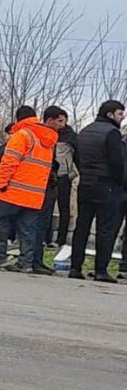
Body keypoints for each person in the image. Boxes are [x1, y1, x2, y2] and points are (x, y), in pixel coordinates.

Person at [0, 106, 58, 274]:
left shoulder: (22, 135)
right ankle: (25, 263)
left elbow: (9, 162)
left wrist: (1, 184)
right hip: (35, 195)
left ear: (18, 119)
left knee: (0, 224)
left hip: (12, 192)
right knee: (28, 230)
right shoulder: (47, 141)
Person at [69, 100, 125, 282]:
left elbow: (77, 156)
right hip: (106, 185)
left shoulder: (85, 131)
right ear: (110, 115)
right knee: (106, 229)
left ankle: (75, 268)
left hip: (85, 183)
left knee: (82, 226)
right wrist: (119, 183)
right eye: (120, 114)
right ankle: (101, 270)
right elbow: (117, 162)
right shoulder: (112, 134)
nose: (122, 117)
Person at [27, 106, 68, 273]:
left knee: (40, 226)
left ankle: (36, 259)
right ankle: (33, 260)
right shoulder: (43, 138)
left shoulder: (49, 138)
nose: (63, 125)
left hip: (44, 187)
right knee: (36, 225)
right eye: (60, 121)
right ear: (49, 120)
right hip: (41, 188)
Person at [52, 121, 79, 247]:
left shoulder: (71, 136)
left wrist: (72, 174)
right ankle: (45, 238)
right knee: (46, 207)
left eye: (63, 120)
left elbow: (78, 157)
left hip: (64, 176)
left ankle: (60, 240)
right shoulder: (48, 134)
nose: (61, 123)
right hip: (49, 175)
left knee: (64, 208)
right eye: (59, 120)